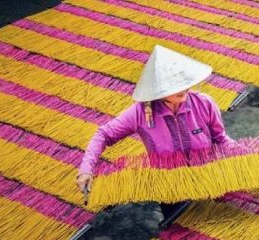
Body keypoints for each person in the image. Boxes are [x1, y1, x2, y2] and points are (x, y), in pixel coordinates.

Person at [76, 45, 233, 219]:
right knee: (182, 234)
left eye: (183, 82)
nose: (183, 89)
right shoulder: (140, 113)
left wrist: (244, 156)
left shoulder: (204, 103)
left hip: (210, 180)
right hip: (171, 190)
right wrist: (86, 169)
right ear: (159, 90)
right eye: (173, 85)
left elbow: (221, 139)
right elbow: (103, 134)